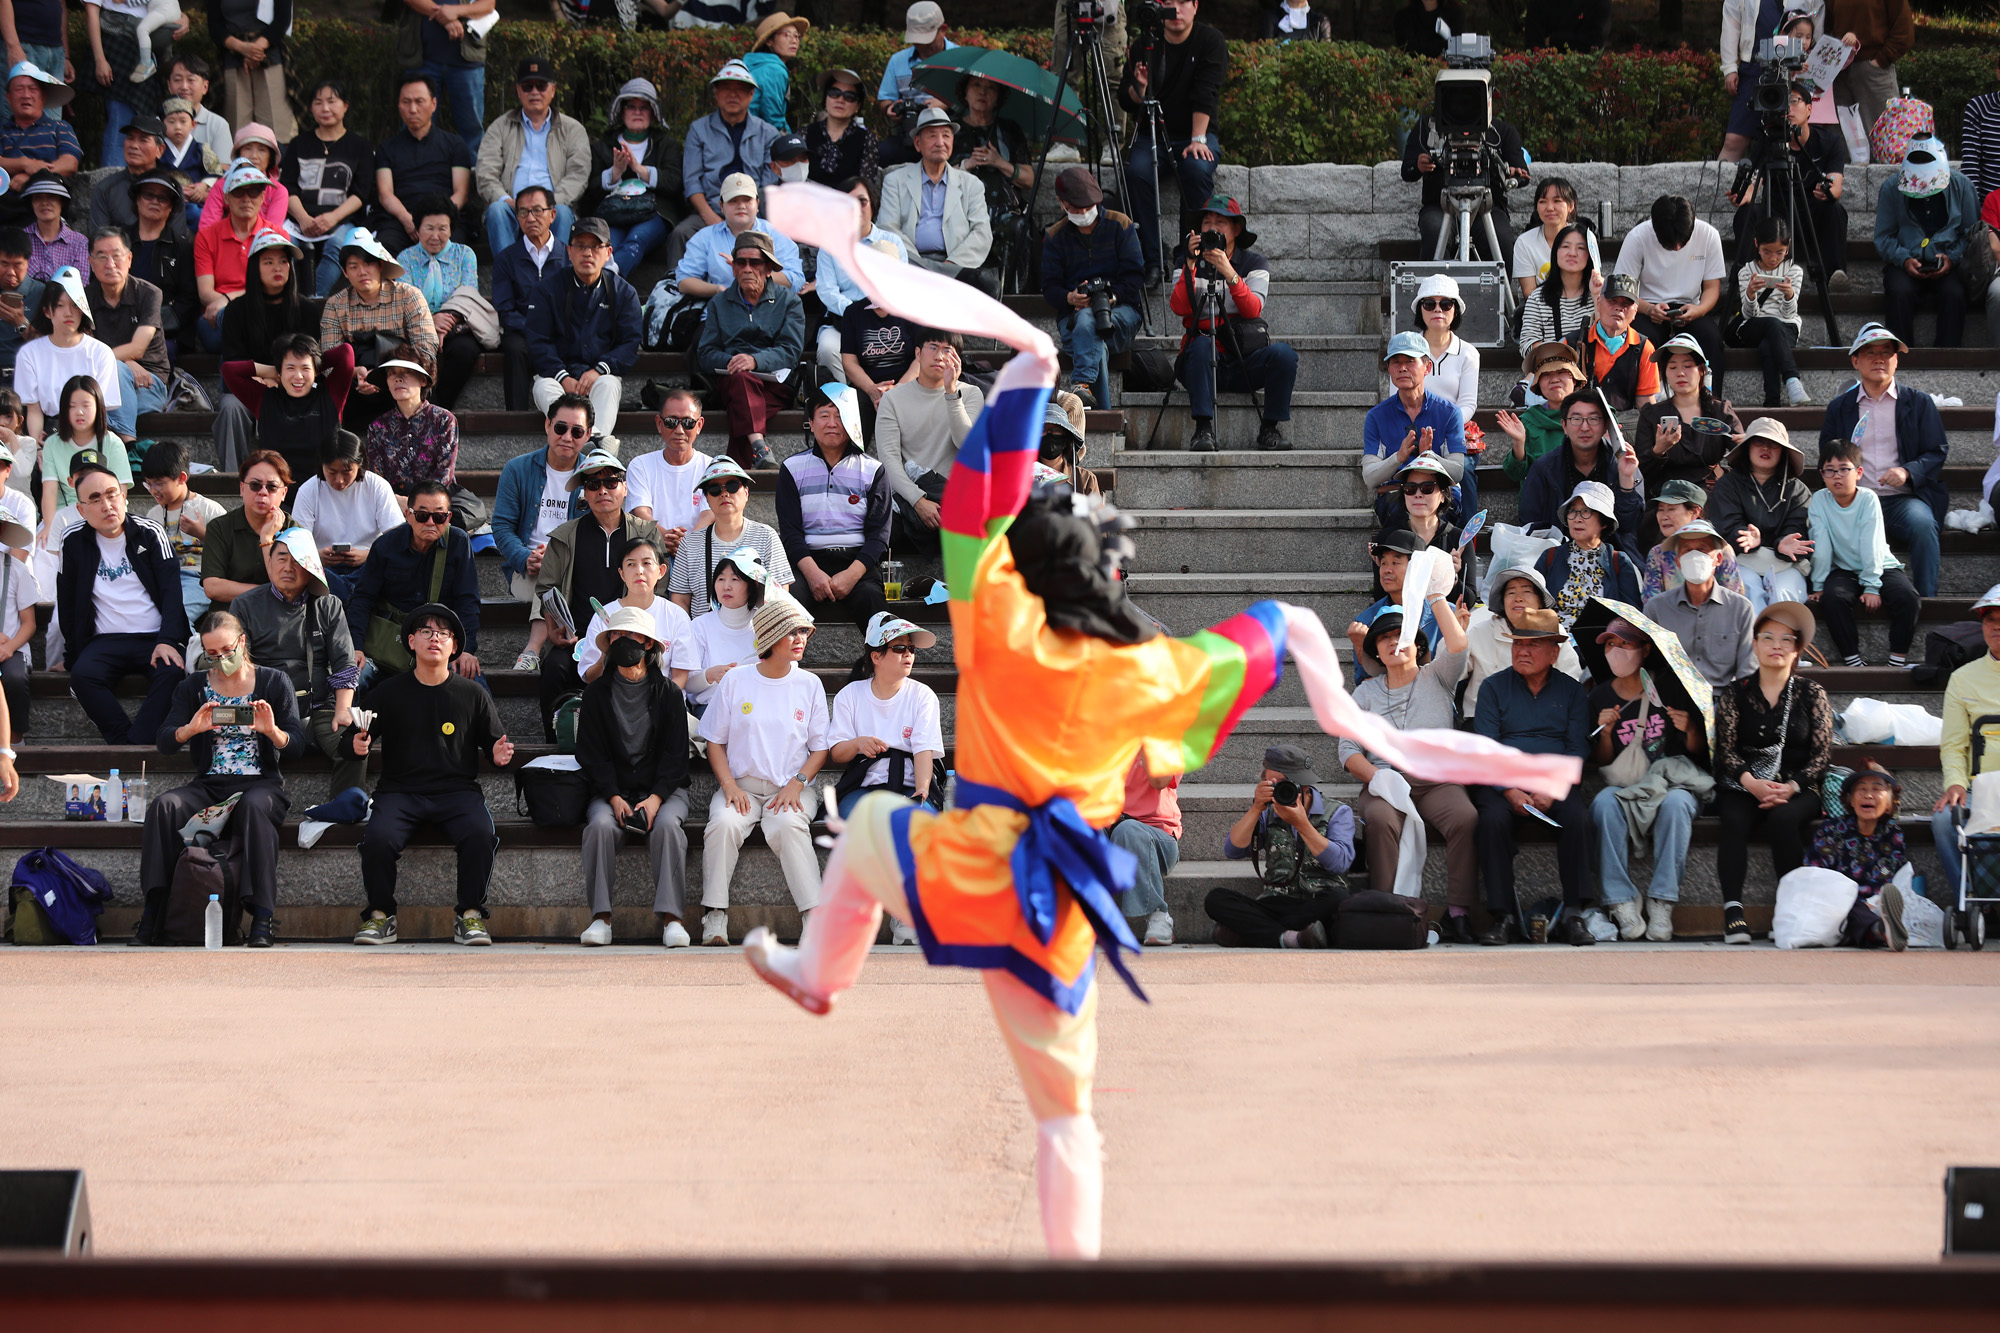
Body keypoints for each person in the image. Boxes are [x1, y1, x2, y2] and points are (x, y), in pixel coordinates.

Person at [349, 603, 514, 946]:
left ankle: (469, 915)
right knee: (377, 839)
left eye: (443, 633)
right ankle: (381, 916)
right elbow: (350, 738)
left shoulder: (472, 694)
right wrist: (357, 744)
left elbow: (495, 746)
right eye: (426, 632)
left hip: (457, 792)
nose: (434, 638)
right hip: (399, 792)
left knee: (480, 834)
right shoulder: (389, 692)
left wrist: (499, 756)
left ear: (454, 646)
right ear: (411, 641)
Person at [140, 611, 302, 949]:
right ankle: (154, 912)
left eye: (227, 650)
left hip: (260, 784)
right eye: (212, 654)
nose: (221, 659)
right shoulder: (193, 686)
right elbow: (165, 740)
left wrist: (272, 732)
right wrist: (191, 729)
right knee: (164, 806)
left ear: (242, 642)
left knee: (256, 809)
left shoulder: (273, 681)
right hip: (210, 785)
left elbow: (298, 745)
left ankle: (262, 918)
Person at [698, 593, 828, 946]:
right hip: (741, 786)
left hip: (792, 787)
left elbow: (820, 748)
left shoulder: (810, 684)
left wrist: (797, 784)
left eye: (804, 631)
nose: (801, 638)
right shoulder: (736, 680)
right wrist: (729, 786)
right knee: (723, 824)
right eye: (792, 632)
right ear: (770, 638)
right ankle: (714, 915)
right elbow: (714, 740)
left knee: (788, 825)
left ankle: (814, 919)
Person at [1342, 608, 1480, 937]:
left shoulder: (1439, 676)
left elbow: (1458, 646)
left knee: (1466, 817)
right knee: (1381, 819)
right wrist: (1378, 777)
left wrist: (1437, 599)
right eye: (1385, 639)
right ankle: (1386, 908)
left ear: (1418, 645)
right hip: (1384, 781)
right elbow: (1347, 750)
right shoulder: (1364, 694)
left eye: (1401, 636)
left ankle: (1458, 912)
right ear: (1375, 651)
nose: (1394, 643)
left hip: (1436, 781)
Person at [1471, 607, 1594, 946]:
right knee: (1491, 821)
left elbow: (1577, 748)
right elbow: (1486, 748)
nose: (1522, 651)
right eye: (1517, 644)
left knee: (1578, 818)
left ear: (1554, 652)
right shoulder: (1493, 688)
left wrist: (1554, 789)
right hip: (1503, 780)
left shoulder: (1572, 692)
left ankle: (1573, 913)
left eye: (1532, 645)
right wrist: (1509, 790)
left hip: (1552, 780)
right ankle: (1502, 915)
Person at [575, 603, 694, 948]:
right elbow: (591, 754)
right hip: (611, 790)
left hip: (665, 791)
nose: (624, 641)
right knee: (598, 827)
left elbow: (676, 756)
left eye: (632, 635)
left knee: (668, 828)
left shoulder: (669, 692)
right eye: (617, 635)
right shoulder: (596, 693)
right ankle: (601, 918)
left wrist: (656, 799)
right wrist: (612, 796)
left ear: (648, 644)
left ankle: (672, 920)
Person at [1712, 600, 1831, 944]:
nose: (1776, 646)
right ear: (1754, 644)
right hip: (1745, 783)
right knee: (1732, 818)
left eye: (1786, 640)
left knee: (1783, 819)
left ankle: (1789, 909)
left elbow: (1822, 755)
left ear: (1797, 650)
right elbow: (1726, 750)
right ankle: (1733, 910)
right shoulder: (1736, 692)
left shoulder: (1812, 693)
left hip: (1798, 786)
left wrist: (1791, 787)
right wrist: (1751, 783)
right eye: (1768, 637)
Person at [1587, 617, 1709, 944]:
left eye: (1625, 644)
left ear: (1645, 650)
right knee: (1602, 804)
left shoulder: (1672, 687)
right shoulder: (1598, 696)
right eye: (1610, 644)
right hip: (1627, 784)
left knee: (1678, 805)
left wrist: (1692, 730)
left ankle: (1662, 900)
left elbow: (1699, 752)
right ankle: (1620, 899)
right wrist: (1607, 734)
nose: (1616, 651)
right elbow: (1603, 762)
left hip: (1671, 785)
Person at [532, 448, 667, 739]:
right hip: (576, 638)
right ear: (584, 492)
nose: (602, 490)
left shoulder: (645, 532)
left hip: (631, 636)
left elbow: (660, 586)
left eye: (611, 482)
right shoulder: (565, 535)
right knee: (554, 668)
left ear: (625, 487)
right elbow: (545, 589)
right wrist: (555, 628)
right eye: (593, 484)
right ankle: (557, 742)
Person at [54, 454, 187, 746]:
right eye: (95, 498)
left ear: (124, 496)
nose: (107, 504)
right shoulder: (72, 540)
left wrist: (169, 639)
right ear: (81, 509)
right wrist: (73, 656)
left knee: (172, 673)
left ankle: (134, 744)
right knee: (83, 677)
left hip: (154, 636)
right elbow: (67, 601)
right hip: (105, 640)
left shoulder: (150, 533)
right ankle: (124, 742)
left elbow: (171, 591)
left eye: (112, 494)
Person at [230, 526, 364, 797]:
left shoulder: (328, 605)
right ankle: (252, 810)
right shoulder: (244, 605)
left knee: (353, 745)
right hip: (264, 707)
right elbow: (236, 667)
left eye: (297, 561)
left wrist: (343, 710)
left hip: (319, 706)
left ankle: (345, 810)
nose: (288, 567)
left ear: (311, 567)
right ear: (269, 562)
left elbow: (344, 663)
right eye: (281, 558)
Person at [1818, 321, 1946, 596]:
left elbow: (1937, 450)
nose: (1879, 358)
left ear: (1896, 360)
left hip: (1902, 499)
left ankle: (1929, 599)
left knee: (1923, 524)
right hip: (1856, 500)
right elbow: (1826, 453)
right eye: (1869, 352)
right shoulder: (1841, 407)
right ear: (1855, 361)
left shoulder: (1918, 402)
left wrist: (1907, 471)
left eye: (1887, 352)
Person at [1170, 194, 1297, 453]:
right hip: (1199, 360)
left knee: (1284, 355)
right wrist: (1191, 266)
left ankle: (1269, 428)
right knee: (1203, 346)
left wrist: (1228, 272)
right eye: (1207, 222)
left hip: (1242, 358)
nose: (1212, 228)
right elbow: (1179, 308)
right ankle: (1203, 429)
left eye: (1220, 222)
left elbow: (1252, 309)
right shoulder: (1186, 260)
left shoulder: (1254, 263)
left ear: (1236, 230)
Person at [1116, 0, 1228, 282]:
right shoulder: (1145, 44)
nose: (1176, 10)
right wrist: (1139, 88)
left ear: (1196, 6)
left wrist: (1198, 138)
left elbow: (1207, 92)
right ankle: (1151, 261)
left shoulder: (1209, 41)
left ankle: (1188, 257)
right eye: (1168, 3)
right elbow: (1126, 100)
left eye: (1182, 2)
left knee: (1196, 169)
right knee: (1137, 172)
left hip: (1195, 133)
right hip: (1150, 133)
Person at [1205, 743, 1357, 949]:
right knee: (1216, 899)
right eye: (1272, 783)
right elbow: (1232, 850)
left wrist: (1302, 824)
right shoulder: (1267, 811)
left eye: (1285, 784)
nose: (1280, 790)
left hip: (1319, 901)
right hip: (1277, 900)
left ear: (1304, 785)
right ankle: (1292, 938)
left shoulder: (1338, 812)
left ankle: (1257, 933)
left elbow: (1339, 863)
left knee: (1338, 898)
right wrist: (1256, 807)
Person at [346, 480, 482, 686]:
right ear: (408, 515)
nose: (430, 522)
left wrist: (466, 650)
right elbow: (363, 600)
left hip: (437, 646)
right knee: (352, 677)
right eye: (421, 515)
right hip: (388, 645)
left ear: (449, 518)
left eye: (438, 516)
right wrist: (356, 647)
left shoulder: (458, 542)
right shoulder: (385, 546)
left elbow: (467, 601)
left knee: (474, 683)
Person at [777, 383, 889, 631]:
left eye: (840, 416)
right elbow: (790, 532)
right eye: (824, 415)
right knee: (787, 606)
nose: (832, 423)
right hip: (808, 562)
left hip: (858, 562)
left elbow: (879, 535)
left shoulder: (873, 470)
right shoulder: (792, 468)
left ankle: (876, 666)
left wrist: (851, 575)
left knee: (876, 609)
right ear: (811, 422)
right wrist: (813, 574)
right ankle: (788, 669)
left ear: (853, 423)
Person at [492, 394, 591, 672]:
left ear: (588, 435)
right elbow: (501, 526)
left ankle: (532, 649)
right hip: (527, 573)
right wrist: (524, 557)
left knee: (556, 561)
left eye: (577, 431)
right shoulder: (518, 469)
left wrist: (560, 555)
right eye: (560, 427)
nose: (567, 437)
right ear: (547, 425)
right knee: (548, 565)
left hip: (575, 570)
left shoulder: (593, 476)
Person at [1808, 436, 1921, 668]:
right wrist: (1818, 584)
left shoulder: (1868, 498)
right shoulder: (1819, 500)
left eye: (1843, 469)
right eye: (1829, 470)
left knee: (1908, 598)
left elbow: (1871, 543)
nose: (1837, 476)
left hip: (1881, 565)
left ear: (1858, 473)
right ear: (1822, 474)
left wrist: (1871, 586)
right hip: (1844, 569)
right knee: (1833, 599)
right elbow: (1821, 544)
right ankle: (1852, 659)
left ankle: (1897, 660)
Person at [695, 229, 803, 470]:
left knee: (741, 402)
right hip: (734, 380)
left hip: (775, 383)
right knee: (742, 381)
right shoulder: (719, 303)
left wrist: (755, 360)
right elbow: (705, 353)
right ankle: (759, 447)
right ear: (733, 268)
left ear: (768, 268)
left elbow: (791, 350)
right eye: (740, 262)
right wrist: (734, 362)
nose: (747, 269)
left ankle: (734, 467)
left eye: (755, 262)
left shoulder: (789, 301)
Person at [525, 216, 642, 436]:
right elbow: (537, 340)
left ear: (608, 252)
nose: (587, 253)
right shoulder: (546, 289)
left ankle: (595, 443)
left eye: (596, 247)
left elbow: (630, 342)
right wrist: (562, 376)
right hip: (557, 374)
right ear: (569, 251)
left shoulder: (624, 292)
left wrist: (599, 370)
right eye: (580, 246)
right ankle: (585, 442)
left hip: (599, 375)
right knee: (543, 387)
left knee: (609, 385)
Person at [1727, 80, 1848, 289]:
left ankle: (1835, 275)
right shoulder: (1767, 141)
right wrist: (1746, 193)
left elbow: (1836, 185)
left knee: (1835, 210)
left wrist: (1828, 191)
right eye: (1782, 103)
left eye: (1793, 101)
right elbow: (1756, 177)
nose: (1788, 109)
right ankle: (1747, 275)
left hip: (1812, 212)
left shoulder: (1829, 142)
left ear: (1809, 109)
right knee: (1747, 214)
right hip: (1777, 214)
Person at [875, 326, 984, 551]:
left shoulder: (971, 394)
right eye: (933, 347)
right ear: (917, 353)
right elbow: (889, 461)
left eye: (947, 350)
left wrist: (952, 393)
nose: (939, 356)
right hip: (911, 498)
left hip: (957, 498)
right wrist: (918, 501)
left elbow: (967, 446)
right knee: (877, 530)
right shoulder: (893, 400)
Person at [1041, 169, 1142, 412]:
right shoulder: (1055, 236)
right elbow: (1049, 287)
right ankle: (1104, 419)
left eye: (1089, 206)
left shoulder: (1120, 225)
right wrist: (1070, 297)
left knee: (1092, 321)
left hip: (1121, 315)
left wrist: (1110, 298)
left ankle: (1082, 383)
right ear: (1062, 204)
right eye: (1077, 207)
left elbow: (1136, 276)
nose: (1085, 212)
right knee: (1095, 340)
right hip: (1074, 320)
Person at [829, 609, 942, 819]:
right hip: (863, 787)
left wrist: (922, 790)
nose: (908, 654)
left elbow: (924, 748)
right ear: (876, 657)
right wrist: (857, 743)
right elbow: (837, 753)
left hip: (910, 785)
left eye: (911, 648)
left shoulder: (922, 695)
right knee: (858, 821)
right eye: (899, 648)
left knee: (917, 821)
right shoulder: (850, 695)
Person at [672, 60, 781, 276]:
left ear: (751, 95)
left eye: (740, 90)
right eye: (726, 89)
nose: (733, 95)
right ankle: (675, 294)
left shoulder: (768, 133)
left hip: (754, 210)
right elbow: (692, 181)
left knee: (779, 235)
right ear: (716, 93)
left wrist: (752, 217)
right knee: (681, 233)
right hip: (711, 207)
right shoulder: (699, 129)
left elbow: (769, 185)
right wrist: (710, 216)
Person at [1632, 333, 1741, 544]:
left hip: (1710, 490)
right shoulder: (1652, 414)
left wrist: (1744, 445)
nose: (1680, 373)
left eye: (1687, 366)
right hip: (1667, 494)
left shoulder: (1719, 411)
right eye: (1672, 367)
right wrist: (1658, 451)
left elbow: (1740, 456)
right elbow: (1641, 472)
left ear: (1701, 371)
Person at [1400, 88, 1528, 265]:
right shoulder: (1427, 128)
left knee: (1501, 240)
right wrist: (1419, 165)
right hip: (1441, 206)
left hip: (1486, 207)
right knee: (1434, 233)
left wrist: (1511, 173)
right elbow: (1407, 171)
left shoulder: (1500, 132)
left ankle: (1495, 291)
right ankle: (1437, 290)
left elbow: (1522, 173)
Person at [1874, 137, 1980, 349]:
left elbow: (1972, 234)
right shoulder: (1890, 188)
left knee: (1954, 294)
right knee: (1898, 292)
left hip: (1949, 262)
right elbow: (1883, 236)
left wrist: (1953, 258)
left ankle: (1947, 356)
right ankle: (1899, 356)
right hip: (1905, 261)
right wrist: (1903, 259)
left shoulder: (1962, 186)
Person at [478, 57, 589, 256]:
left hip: (554, 204)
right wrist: (505, 199)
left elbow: (578, 175)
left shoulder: (573, 129)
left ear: (553, 90)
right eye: (528, 86)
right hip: (511, 206)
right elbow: (485, 173)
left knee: (562, 212)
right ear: (518, 90)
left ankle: (556, 280)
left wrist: (550, 203)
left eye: (541, 86)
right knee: (496, 211)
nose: (535, 92)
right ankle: (510, 279)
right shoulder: (499, 127)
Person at [879, 107, 995, 296]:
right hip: (912, 264)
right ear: (918, 143)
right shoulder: (895, 180)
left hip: (955, 266)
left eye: (946, 136)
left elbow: (982, 233)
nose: (940, 143)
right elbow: (887, 227)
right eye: (932, 136)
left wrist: (951, 264)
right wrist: (922, 267)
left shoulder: (971, 184)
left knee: (987, 284)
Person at [1615, 195, 1726, 391]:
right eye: (1668, 244)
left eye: (1682, 242)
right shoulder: (1638, 237)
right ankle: (1643, 401)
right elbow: (1623, 290)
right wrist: (1649, 309)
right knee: (1640, 338)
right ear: (1654, 228)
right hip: (1646, 307)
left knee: (1710, 337)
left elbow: (1711, 288)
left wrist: (1699, 311)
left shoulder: (1709, 235)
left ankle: (1710, 401)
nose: (1676, 248)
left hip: (1690, 308)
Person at [1932, 585, 2000, 898]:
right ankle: (1973, 897)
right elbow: (1954, 745)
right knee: (1946, 818)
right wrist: (1956, 785)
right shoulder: (1963, 678)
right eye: (1990, 619)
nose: (1997, 625)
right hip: (1980, 787)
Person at [1518, 390, 1642, 558]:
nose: (1585, 427)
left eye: (1593, 419)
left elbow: (1630, 525)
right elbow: (1529, 522)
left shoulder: (1622, 463)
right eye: (1576, 419)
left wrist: (1626, 478)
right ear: (1564, 426)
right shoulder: (1544, 469)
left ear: (1606, 425)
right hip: (1558, 558)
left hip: (1612, 557)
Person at [1361, 330, 1470, 522]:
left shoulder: (1449, 413)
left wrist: (1428, 457)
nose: (1402, 368)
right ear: (1389, 369)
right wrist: (1398, 458)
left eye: (1410, 361)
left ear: (1427, 367)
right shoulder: (1376, 416)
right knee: (1398, 511)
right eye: (1396, 362)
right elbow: (1370, 478)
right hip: (1396, 493)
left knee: (1441, 512)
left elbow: (1457, 471)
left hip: (1440, 492)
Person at [220, 332, 355, 484]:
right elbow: (229, 370)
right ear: (279, 372)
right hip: (279, 497)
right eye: (290, 368)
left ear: (316, 371)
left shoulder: (330, 395)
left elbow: (346, 352)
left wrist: (312, 365)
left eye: (305, 369)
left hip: (323, 494)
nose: (298, 376)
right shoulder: (265, 399)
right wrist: (275, 370)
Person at [1710, 417, 1814, 614]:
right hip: (1742, 560)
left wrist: (1784, 542)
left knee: (1783, 597)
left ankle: (1781, 644)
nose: (1766, 448)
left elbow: (1798, 526)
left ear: (1783, 451)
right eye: (1759, 442)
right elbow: (1727, 524)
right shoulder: (1728, 485)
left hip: (1786, 564)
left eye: (1773, 444)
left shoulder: (1798, 490)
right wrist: (1745, 537)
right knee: (1748, 593)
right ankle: (1755, 645)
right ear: (1747, 447)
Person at [16, 269, 122, 460]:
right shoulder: (29, 353)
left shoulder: (101, 352)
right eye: (60, 305)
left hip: (91, 432)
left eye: (75, 305)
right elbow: (34, 409)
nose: (68, 313)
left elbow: (100, 410)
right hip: (50, 431)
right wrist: (38, 448)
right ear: (47, 311)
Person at [668, 455, 794, 616]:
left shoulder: (766, 536)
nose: (724, 493)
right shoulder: (690, 543)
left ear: (746, 493)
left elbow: (780, 595)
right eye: (714, 489)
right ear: (706, 498)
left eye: (732, 486)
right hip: (703, 637)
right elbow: (680, 600)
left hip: (753, 636)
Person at [1460, 563, 1585, 723]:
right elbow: (1451, 674)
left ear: (1540, 602)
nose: (1518, 598)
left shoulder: (1555, 633)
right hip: (1483, 719)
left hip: (1539, 720)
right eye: (1511, 592)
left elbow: (1570, 681)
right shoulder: (1480, 631)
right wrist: (1456, 635)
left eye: (1527, 591)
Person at [1804, 765, 1911, 949]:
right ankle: (1882, 931)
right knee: (1852, 908)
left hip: (1877, 905)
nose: (1868, 795)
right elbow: (1815, 877)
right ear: (1850, 800)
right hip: (1837, 908)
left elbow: (1893, 877)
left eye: (1877, 789)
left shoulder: (1893, 834)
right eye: (1861, 789)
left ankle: (1884, 929)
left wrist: (1876, 902)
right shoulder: (1831, 830)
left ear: (1889, 802)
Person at [1643, 518, 1757, 688]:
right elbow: (1647, 665)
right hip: (1673, 702)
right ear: (1678, 562)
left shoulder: (1741, 608)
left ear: (1718, 558)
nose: (1694, 556)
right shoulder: (1656, 608)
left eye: (1702, 550)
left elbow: (1747, 669)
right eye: (1687, 550)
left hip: (1721, 701)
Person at [285, 83, 375, 296]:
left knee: (338, 245)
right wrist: (303, 218)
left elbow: (361, 192)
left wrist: (333, 217)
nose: (325, 108)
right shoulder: (299, 143)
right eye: (318, 102)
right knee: (282, 245)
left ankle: (314, 302)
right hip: (300, 219)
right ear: (311, 109)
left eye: (331, 101)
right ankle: (288, 301)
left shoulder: (360, 146)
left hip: (342, 219)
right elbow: (287, 187)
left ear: (345, 106)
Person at [289, 429, 402, 600]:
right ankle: (354, 595)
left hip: (368, 564)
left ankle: (345, 595)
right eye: (332, 472)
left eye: (347, 471)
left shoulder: (377, 486)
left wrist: (368, 555)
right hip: (323, 567)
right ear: (321, 466)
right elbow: (297, 544)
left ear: (360, 465)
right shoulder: (309, 490)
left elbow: (396, 539)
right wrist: (317, 555)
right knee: (310, 573)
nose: (339, 480)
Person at [589, 77, 683, 279]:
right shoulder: (603, 146)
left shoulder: (667, 145)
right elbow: (590, 189)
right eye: (632, 107)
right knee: (607, 246)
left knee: (635, 240)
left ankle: (607, 278)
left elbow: (675, 183)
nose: (638, 112)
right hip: (614, 213)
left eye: (644, 107)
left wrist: (640, 169)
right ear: (622, 111)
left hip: (654, 213)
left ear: (653, 113)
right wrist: (615, 173)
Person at [392, 197, 481, 411]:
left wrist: (445, 322)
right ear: (418, 228)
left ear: (451, 229)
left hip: (456, 326)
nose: (435, 236)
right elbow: (404, 301)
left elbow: (467, 295)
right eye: (429, 228)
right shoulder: (405, 258)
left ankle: (439, 407)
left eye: (442, 228)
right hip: (417, 328)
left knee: (465, 351)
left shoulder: (464, 254)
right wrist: (431, 322)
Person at [813, 177, 904, 387]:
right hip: (842, 322)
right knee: (827, 348)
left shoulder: (892, 243)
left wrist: (873, 314)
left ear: (873, 204)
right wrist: (859, 313)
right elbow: (826, 290)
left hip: (887, 321)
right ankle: (843, 407)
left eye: (861, 201)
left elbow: (901, 287)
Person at [371, 72, 473, 256]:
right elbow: (385, 194)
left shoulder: (455, 145)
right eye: (406, 102)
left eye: (419, 101)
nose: (413, 109)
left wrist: (435, 223)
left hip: (444, 220)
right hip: (401, 221)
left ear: (433, 104)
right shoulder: (387, 148)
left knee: (453, 250)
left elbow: (462, 193)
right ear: (398, 105)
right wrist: (409, 220)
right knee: (383, 252)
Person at [575, 533, 696, 687]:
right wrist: (608, 650)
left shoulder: (676, 615)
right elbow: (590, 677)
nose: (639, 571)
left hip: (662, 704)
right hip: (615, 702)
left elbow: (680, 678)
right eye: (631, 564)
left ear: (661, 571)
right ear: (622, 574)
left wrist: (660, 704)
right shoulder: (603, 615)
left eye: (646, 563)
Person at [85, 228, 171, 443]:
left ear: (129, 259)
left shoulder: (149, 293)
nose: (110, 264)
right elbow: (82, 350)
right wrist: (124, 364)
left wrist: (118, 361)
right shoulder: (84, 298)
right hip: (100, 381)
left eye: (116, 256)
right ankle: (129, 447)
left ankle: (125, 445)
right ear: (91, 262)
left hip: (148, 381)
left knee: (101, 411)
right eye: (102, 257)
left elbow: (138, 348)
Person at [490, 184, 568, 412]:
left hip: (561, 330)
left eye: (537, 210)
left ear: (553, 214)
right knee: (514, 348)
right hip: (523, 330)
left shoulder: (568, 255)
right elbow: (504, 308)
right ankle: (515, 417)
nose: (531, 217)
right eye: (523, 212)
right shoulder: (507, 258)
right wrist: (534, 328)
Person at [190, 162, 280, 353]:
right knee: (233, 326)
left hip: (263, 311)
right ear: (226, 197)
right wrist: (231, 305)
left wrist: (228, 299)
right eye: (239, 192)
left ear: (263, 197)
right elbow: (205, 293)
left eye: (254, 191)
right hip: (219, 316)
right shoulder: (207, 236)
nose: (246, 198)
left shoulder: (276, 235)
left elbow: (276, 288)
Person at [674, 172, 805, 299]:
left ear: (757, 204)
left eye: (747, 200)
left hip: (769, 312)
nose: (741, 206)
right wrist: (718, 290)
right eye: (733, 201)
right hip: (721, 312)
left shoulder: (776, 233)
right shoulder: (705, 237)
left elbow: (796, 278)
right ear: (721, 206)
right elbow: (684, 281)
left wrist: (755, 274)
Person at [1535, 480, 1642, 631]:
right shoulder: (1550, 557)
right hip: (1556, 642)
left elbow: (1632, 616)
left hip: (1599, 645)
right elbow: (1534, 604)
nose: (1577, 519)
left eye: (1586, 511)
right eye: (1572, 511)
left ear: (1604, 522)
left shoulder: (1619, 561)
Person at [139, 436, 222, 627]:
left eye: (159, 483)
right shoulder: (153, 514)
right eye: (148, 484)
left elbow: (229, 553)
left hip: (197, 579)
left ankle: (191, 652)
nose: (153, 490)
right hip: (164, 580)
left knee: (177, 617)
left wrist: (202, 534)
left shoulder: (209, 509)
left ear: (182, 478)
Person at [392, 0, 492, 158]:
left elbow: (487, 5)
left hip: (466, 61)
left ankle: (474, 178)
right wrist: (445, 17)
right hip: (422, 59)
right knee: (414, 125)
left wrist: (456, 12)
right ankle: (411, 177)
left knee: (472, 129)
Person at [199, 449, 290, 617]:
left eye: (272, 487)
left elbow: (290, 589)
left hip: (279, 617)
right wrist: (267, 593)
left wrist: (267, 539)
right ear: (242, 488)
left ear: (283, 493)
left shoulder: (293, 530)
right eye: (255, 485)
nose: (263, 492)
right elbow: (212, 587)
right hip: (230, 617)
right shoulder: (220, 527)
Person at [37, 375, 129, 542]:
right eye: (72, 406)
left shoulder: (113, 443)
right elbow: (49, 490)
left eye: (86, 405)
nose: (79, 412)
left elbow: (120, 491)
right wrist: (49, 526)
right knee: (42, 547)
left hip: (105, 513)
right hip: (63, 516)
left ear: (98, 407)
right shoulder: (52, 444)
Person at [1346, 527, 1442, 685]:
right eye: (1383, 563)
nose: (1386, 570)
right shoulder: (1367, 620)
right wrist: (1360, 647)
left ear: (1418, 568)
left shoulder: (1444, 614)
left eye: (1395, 562)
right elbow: (1364, 684)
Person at [1104, 750, 1181, 948]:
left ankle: (1159, 914)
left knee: (1128, 829)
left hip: (1157, 841)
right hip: (1110, 834)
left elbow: (1159, 780)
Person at [1735, 215, 1810, 409]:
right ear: (1756, 244)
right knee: (1770, 323)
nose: (1773, 258)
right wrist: (1751, 294)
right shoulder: (1746, 272)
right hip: (1754, 325)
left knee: (1768, 346)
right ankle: (1792, 380)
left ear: (1788, 247)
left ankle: (1772, 403)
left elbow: (1788, 315)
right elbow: (1748, 315)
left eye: (1780, 252)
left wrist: (1789, 295)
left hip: (1785, 327)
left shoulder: (1794, 271)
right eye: (1766, 252)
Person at [363, 353, 458, 500]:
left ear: (423, 380)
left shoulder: (444, 420)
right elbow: (375, 476)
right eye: (392, 373)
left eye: (407, 372)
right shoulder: (378, 427)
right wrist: (395, 501)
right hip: (392, 503)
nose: (398, 378)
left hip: (434, 501)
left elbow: (444, 473)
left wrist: (417, 502)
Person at [1563, 272, 1661, 412]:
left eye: (1626, 304)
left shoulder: (1644, 347)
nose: (1618, 308)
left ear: (1635, 311)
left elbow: (1645, 400)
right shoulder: (1572, 343)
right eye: (1612, 301)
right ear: (1599, 302)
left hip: (1623, 427)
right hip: (1580, 422)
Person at [686, 543, 766, 712]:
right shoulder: (699, 626)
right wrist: (709, 675)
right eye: (721, 579)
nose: (726, 586)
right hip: (711, 707)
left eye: (735, 579)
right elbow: (686, 683)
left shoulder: (764, 623)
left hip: (758, 707)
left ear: (752, 585)